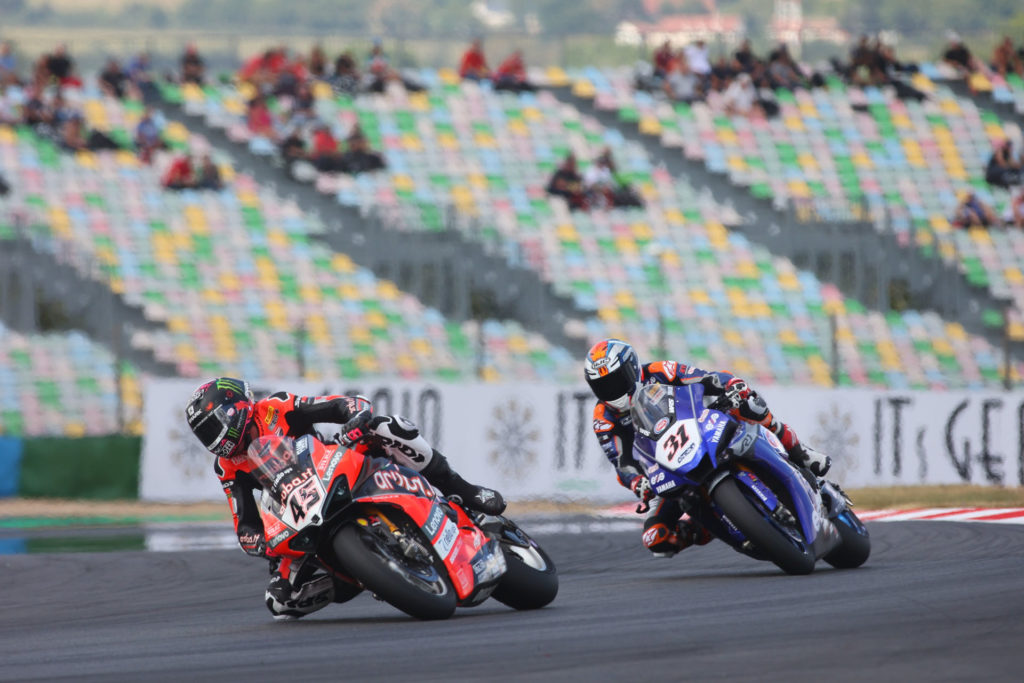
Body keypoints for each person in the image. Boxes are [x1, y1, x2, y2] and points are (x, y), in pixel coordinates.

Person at [185, 378, 506, 620]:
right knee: (281, 600)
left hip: (336, 464)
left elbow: (340, 405)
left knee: (388, 426)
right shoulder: (227, 467)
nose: (214, 439)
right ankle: (362, 575)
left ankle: (462, 489)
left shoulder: (276, 407)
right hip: (299, 511)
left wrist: (355, 417)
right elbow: (244, 523)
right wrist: (260, 543)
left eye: (215, 426)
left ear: (237, 409)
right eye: (205, 434)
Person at [583, 339, 830, 557]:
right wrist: (638, 482)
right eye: (602, 386)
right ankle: (701, 529)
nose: (610, 391)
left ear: (631, 368)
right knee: (655, 537)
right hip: (667, 467)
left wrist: (730, 385)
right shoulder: (603, 418)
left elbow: (704, 377)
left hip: (702, 427)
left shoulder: (659, 371)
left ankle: (800, 452)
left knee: (749, 406)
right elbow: (622, 462)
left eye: (615, 381)